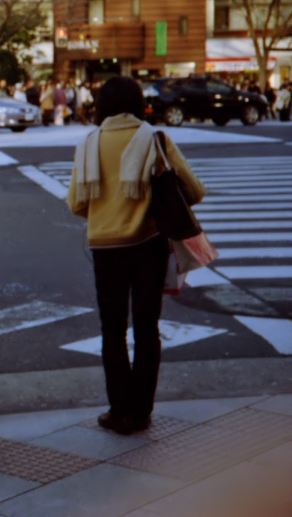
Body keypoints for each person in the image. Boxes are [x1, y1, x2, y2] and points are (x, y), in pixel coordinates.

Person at [67, 76, 205, 435]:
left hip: (105, 250)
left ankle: (119, 409)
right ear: (138, 101)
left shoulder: (89, 143)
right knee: (147, 328)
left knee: (111, 330)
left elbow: (76, 203)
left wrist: (105, 213)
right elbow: (195, 191)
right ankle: (141, 411)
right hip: (148, 246)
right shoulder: (155, 139)